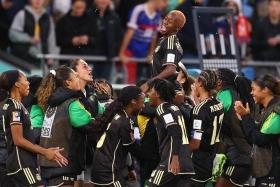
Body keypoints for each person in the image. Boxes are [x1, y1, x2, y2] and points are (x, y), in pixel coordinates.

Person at [0, 70, 67, 187]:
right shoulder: (15, 107)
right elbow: (18, 140)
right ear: (17, 84)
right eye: (25, 80)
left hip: (23, 162)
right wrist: (45, 152)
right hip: (21, 163)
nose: (28, 84)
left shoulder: (15, 105)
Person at [37, 66, 96, 187]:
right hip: (62, 164)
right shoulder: (72, 103)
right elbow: (90, 125)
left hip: (47, 165)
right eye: (76, 77)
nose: (79, 79)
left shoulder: (52, 103)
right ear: (67, 82)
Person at [91, 86, 158, 186]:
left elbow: (125, 147)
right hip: (109, 173)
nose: (143, 106)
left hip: (101, 170)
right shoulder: (124, 122)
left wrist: (130, 168)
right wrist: (157, 158)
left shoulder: (117, 115)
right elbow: (133, 149)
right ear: (133, 101)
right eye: (142, 102)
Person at [146, 79, 194, 186]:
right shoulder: (175, 108)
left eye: (150, 91)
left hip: (171, 163)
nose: (148, 94)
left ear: (158, 94)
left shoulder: (162, 109)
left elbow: (175, 131)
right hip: (186, 164)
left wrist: (175, 157)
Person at [234, 75, 280, 187]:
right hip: (267, 169)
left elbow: (259, 139)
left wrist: (245, 117)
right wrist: (246, 118)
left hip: (273, 170)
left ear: (265, 90)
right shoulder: (265, 109)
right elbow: (253, 137)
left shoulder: (276, 111)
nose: (251, 93)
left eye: (253, 89)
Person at [214, 68, 254, 187]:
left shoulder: (225, 95)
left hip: (237, 159)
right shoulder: (232, 94)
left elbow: (210, 116)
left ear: (220, 82)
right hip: (237, 156)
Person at [187, 70, 224, 187]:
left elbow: (195, 143)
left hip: (197, 162)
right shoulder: (219, 104)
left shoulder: (199, 110)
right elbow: (206, 115)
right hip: (212, 158)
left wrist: (181, 156)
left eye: (196, 82)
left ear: (201, 83)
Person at [119, 0, 167, 84]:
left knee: (141, 83)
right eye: (164, 2)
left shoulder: (158, 14)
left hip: (143, 55)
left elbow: (154, 35)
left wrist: (150, 53)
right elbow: (130, 32)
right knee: (129, 83)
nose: (165, 5)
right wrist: (122, 52)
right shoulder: (139, 10)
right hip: (130, 53)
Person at [141, 10, 186, 92]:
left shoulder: (171, 41)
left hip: (166, 91)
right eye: (165, 19)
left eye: (170, 21)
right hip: (160, 88)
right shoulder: (163, 39)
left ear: (178, 28)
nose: (165, 22)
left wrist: (150, 82)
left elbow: (170, 69)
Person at [9, 0, 57, 66]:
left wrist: (51, 56)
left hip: (41, 60)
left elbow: (51, 40)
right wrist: (29, 39)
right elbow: (12, 34)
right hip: (22, 60)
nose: (38, 0)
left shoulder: (48, 18)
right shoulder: (22, 14)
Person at [89, 0, 122, 81]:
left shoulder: (114, 17)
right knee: (89, 85)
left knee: (105, 85)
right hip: (90, 57)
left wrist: (114, 51)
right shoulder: (88, 15)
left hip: (108, 58)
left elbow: (118, 37)